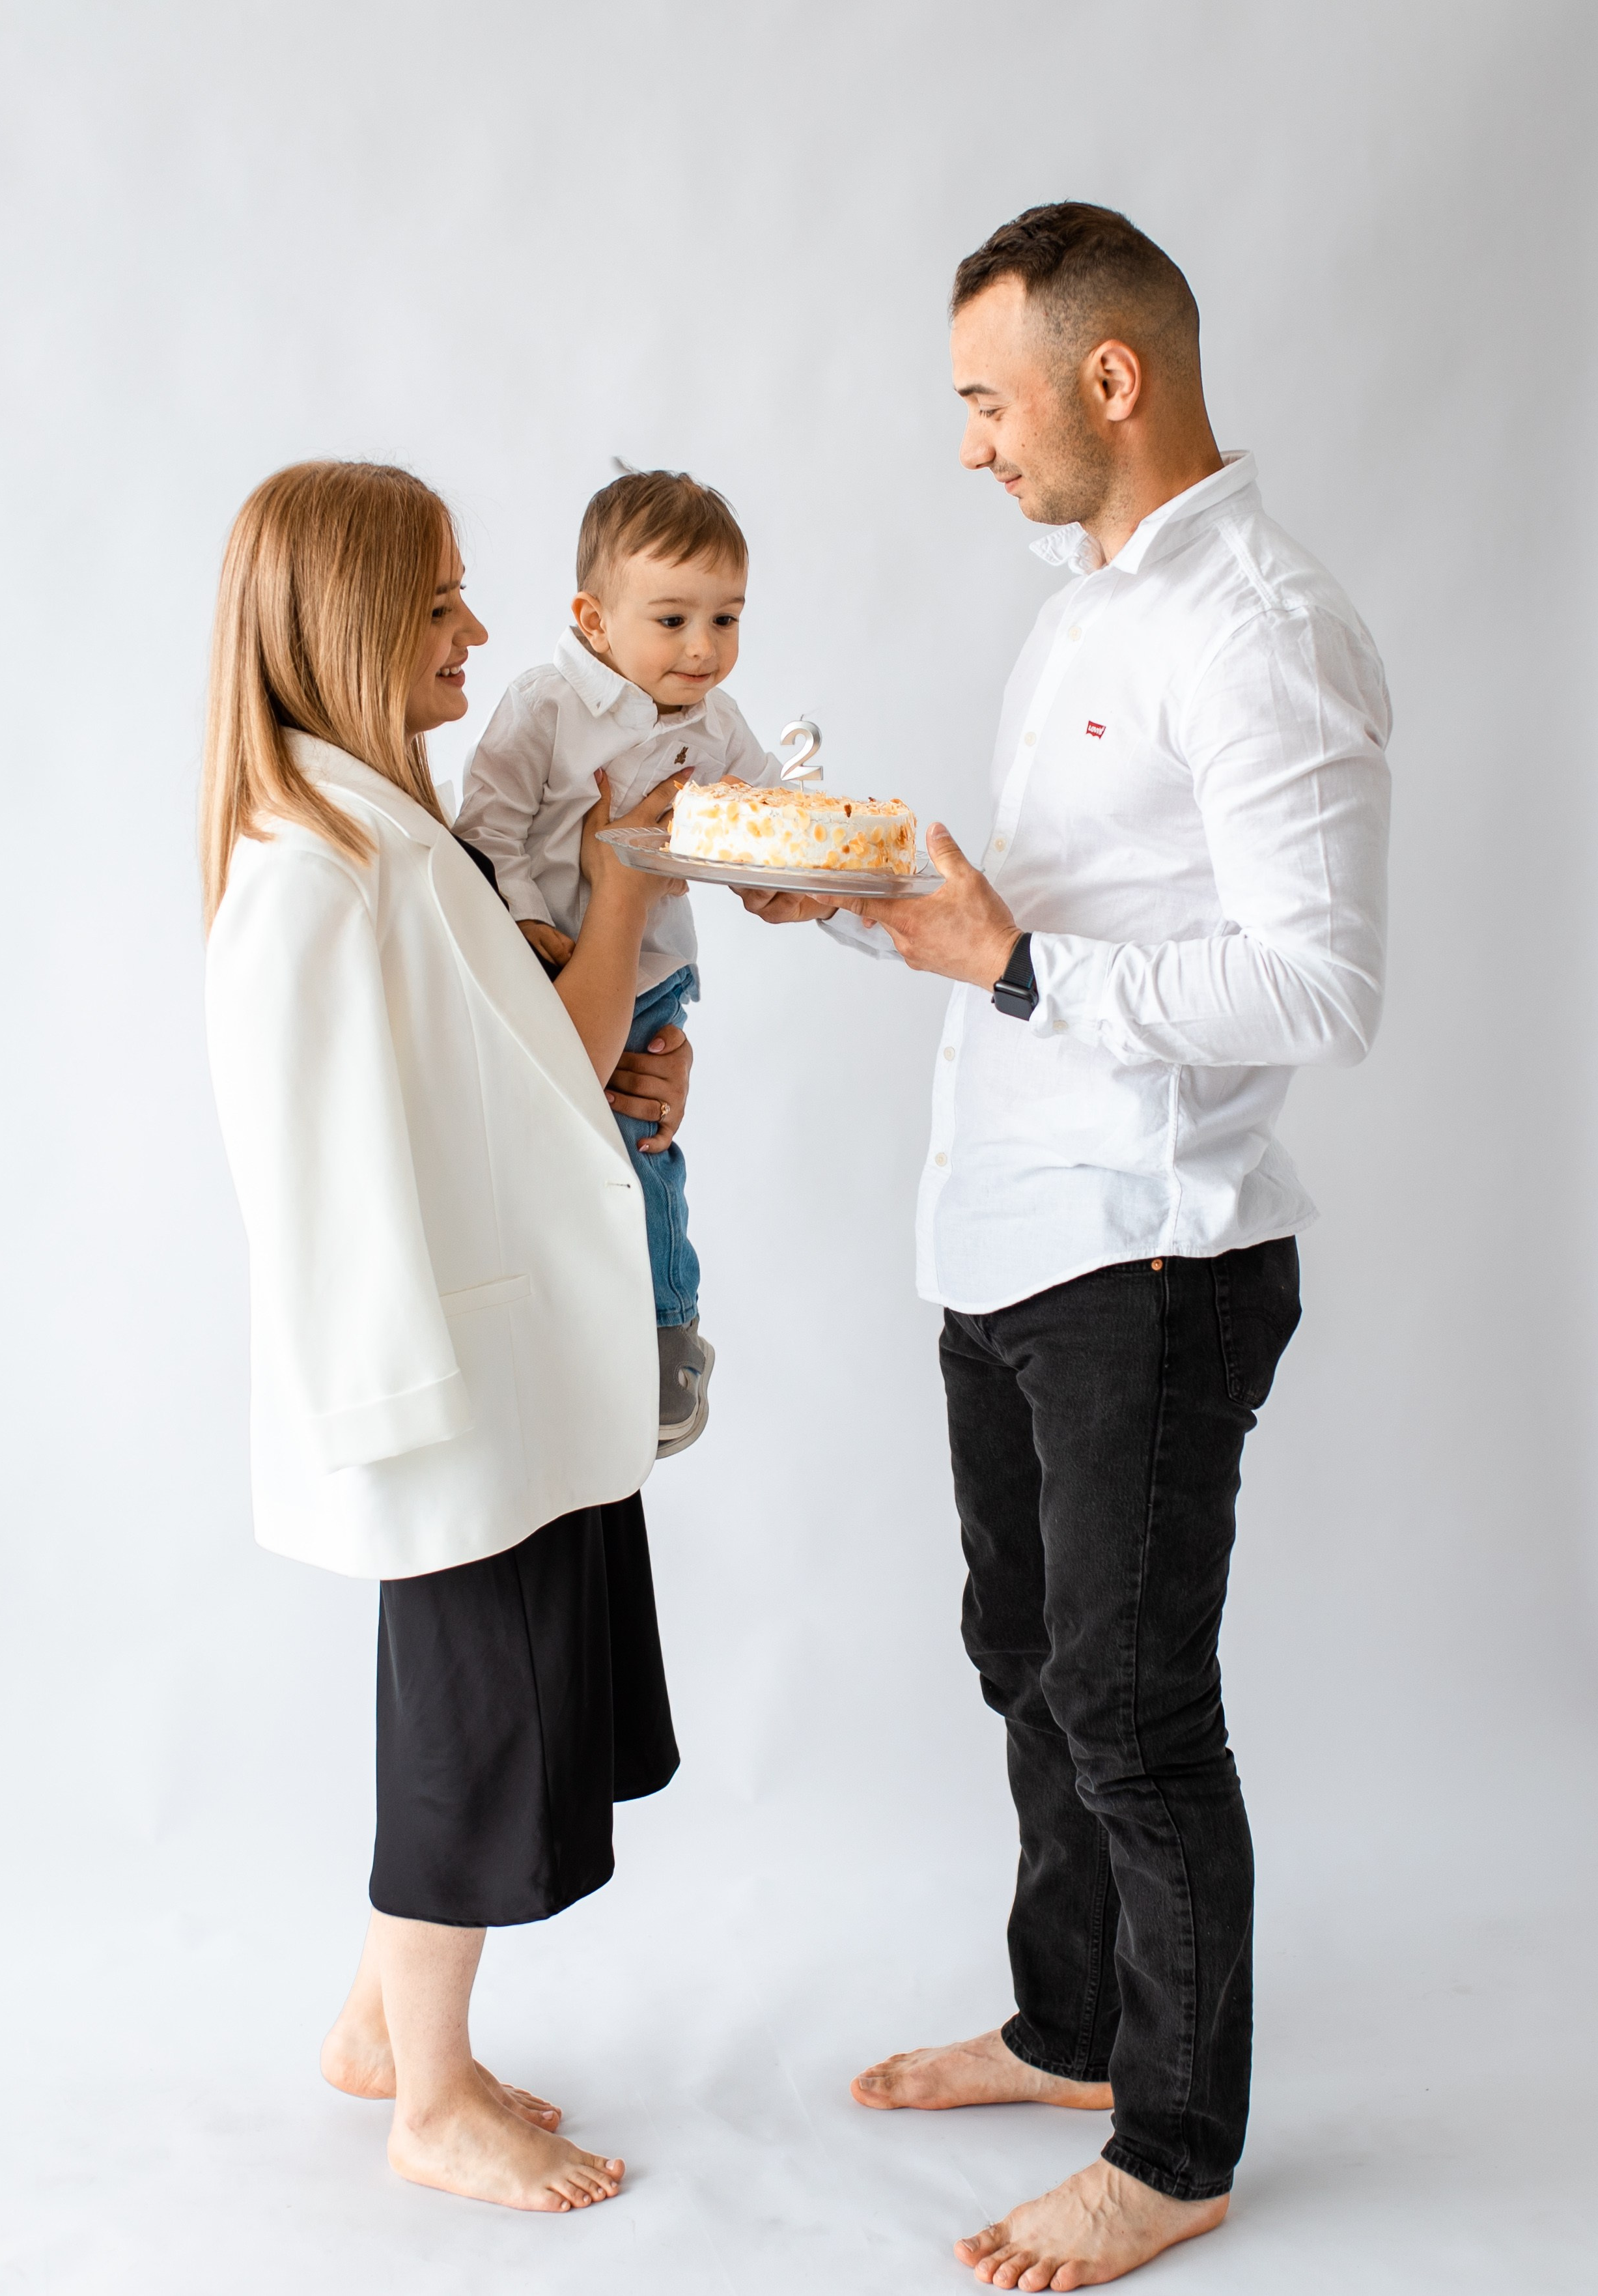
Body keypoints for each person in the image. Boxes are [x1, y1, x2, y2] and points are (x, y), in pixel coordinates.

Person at [742, 203, 1391, 2289]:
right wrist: (852, 898)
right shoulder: (1085, 605)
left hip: (1156, 1256)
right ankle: (1070, 2023)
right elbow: (1042, 925)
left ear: (1109, 381)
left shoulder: (1259, 625)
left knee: (1129, 1700)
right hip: (1009, 1231)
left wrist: (1013, 961)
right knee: (1026, 1661)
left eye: (984, 399)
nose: (966, 446)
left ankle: (1177, 2141)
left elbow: (1318, 988)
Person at [201, 459, 692, 2215]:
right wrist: (629, 883)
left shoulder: (386, 834)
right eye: (437, 603)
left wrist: (635, 1076)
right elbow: (315, 1174)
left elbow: (518, 1070)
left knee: (497, 1706)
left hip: (508, 1365)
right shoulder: (313, 868)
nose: (475, 631)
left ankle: (370, 2027)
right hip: (438, 1387)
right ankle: (433, 2092)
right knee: (474, 1732)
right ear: (342, 619)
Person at [457, 469, 779, 1456]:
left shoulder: (714, 725)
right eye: (674, 618)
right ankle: (580, 1331)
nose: (704, 648)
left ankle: (665, 1326)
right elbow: (489, 825)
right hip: (544, 972)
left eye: (725, 618)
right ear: (592, 619)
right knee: (561, 1168)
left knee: (640, 1151)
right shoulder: (545, 706)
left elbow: (765, 817)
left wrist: (784, 877)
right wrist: (523, 922)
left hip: (650, 978)